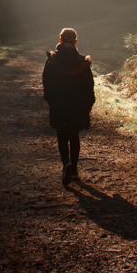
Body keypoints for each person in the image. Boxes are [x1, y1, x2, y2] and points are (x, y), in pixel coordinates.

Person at [42, 28, 95, 186]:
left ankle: (66, 164)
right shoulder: (82, 62)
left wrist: (50, 99)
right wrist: (88, 103)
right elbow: (89, 86)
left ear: (60, 39)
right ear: (75, 41)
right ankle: (75, 171)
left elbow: (46, 82)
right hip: (76, 105)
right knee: (74, 136)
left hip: (59, 103)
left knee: (62, 136)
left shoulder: (52, 60)